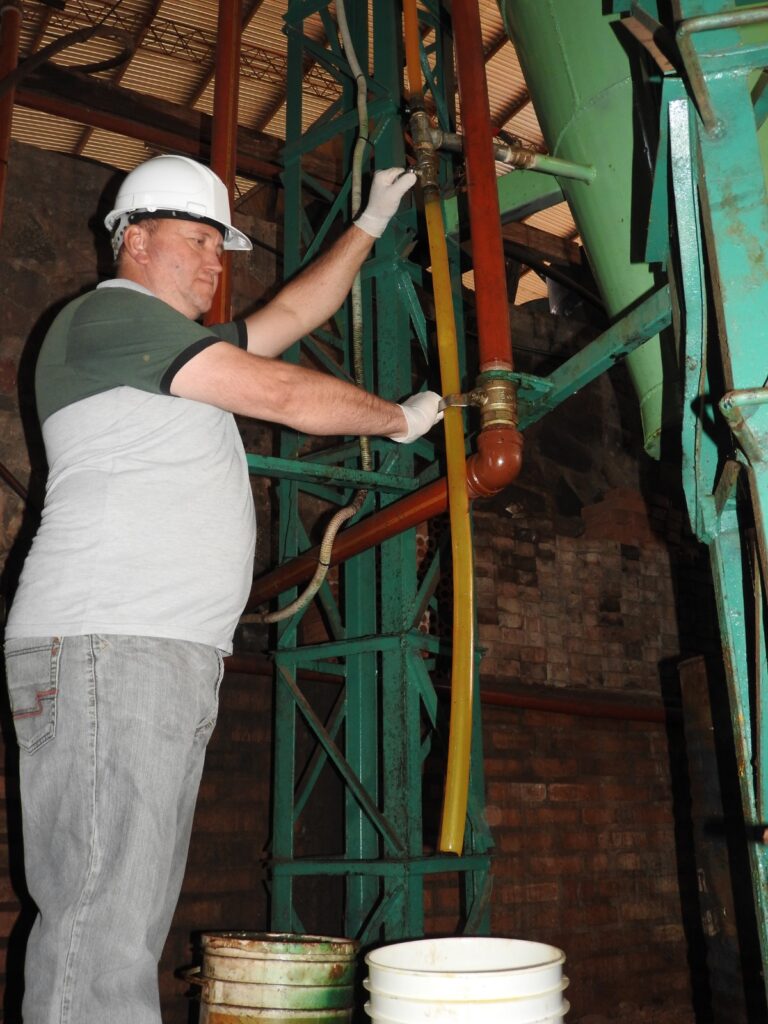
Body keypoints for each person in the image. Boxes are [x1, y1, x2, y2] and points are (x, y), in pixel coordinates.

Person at [3, 154, 442, 1024]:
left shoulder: (162, 342)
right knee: (102, 925)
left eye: (220, 245)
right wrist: (398, 419)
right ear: (132, 239)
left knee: (122, 919)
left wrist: (369, 225)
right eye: (196, 241)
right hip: (111, 645)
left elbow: (282, 319)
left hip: (152, 652)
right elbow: (278, 389)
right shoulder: (108, 318)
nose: (214, 264)